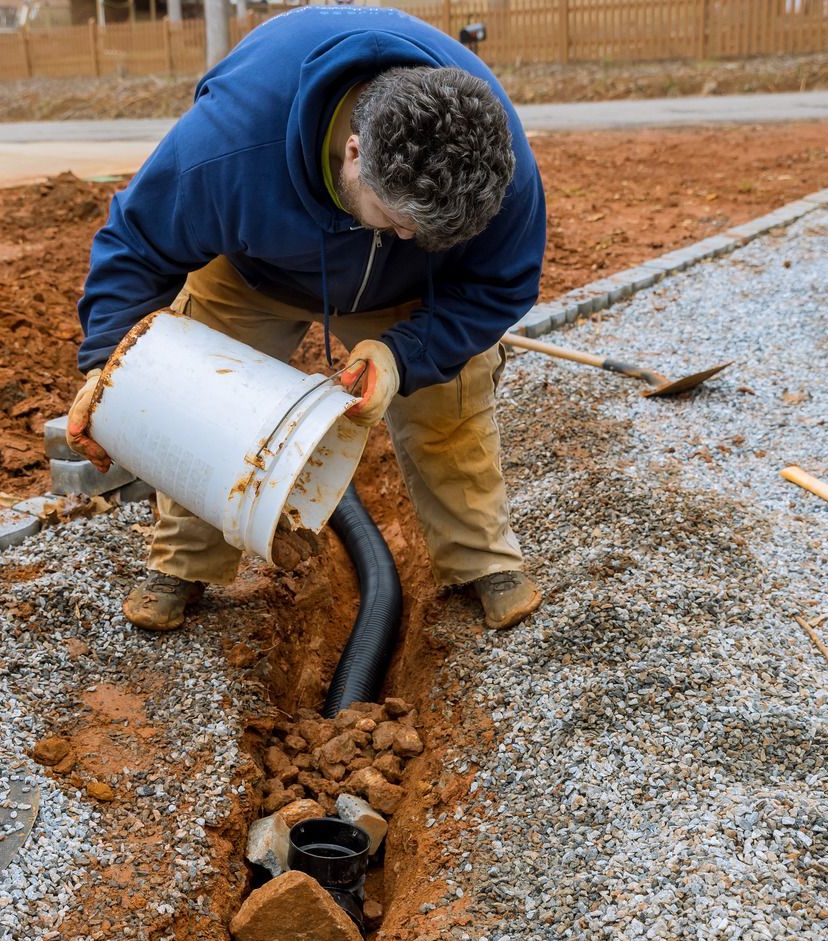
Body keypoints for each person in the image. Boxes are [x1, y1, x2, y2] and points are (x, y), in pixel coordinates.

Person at [67, 5, 546, 634]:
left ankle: (483, 563)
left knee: (452, 400)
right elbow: (135, 243)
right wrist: (109, 369)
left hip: (408, 290)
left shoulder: (495, 168)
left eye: (428, 231)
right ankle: (182, 565)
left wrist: (403, 355)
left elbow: (501, 283)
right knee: (202, 397)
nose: (409, 234)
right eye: (399, 220)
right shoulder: (230, 147)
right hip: (255, 269)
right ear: (354, 152)